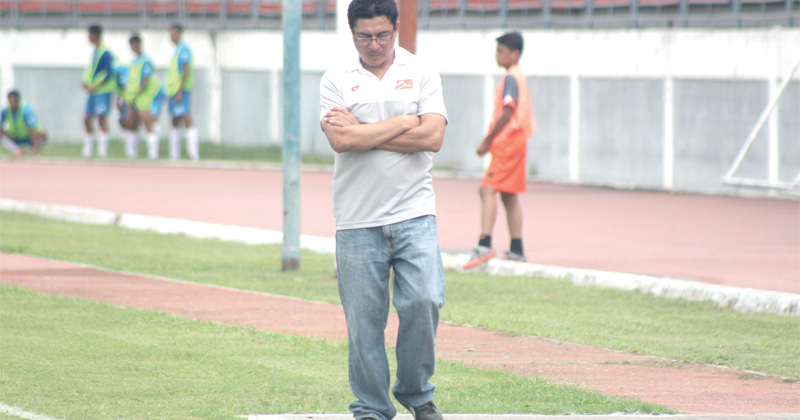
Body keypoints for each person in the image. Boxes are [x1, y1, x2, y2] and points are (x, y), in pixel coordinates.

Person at [319, 0, 448, 418]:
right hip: (357, 219)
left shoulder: (421, 72)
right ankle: (372, 408)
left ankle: (416, 393)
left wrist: (365, 131)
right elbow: (342, 141)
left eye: (382, 35)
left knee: (425, 300)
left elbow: (432, 138)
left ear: (395, 28)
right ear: (351, 33)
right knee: (364, 323)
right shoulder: (336, 79)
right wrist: (405, 121)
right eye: (364, 37)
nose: (374, 45)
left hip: (415, 212)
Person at [463, 31, 536, 270]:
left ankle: (484, 245)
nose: (497, 55)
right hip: (518, 141)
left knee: (487, 189)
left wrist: (487, 141)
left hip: (508, 142)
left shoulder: (511, 78)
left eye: (501, 51)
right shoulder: (518, 76)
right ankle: (517, 249)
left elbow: (508, 111)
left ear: (515, 54)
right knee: (509, 194)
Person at [124, 33, 165, 160]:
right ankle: (132, 154)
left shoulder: (146, 61)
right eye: (131, 45)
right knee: (132, 124)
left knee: (149, 123)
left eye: (135, 44)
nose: (133, 47)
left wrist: (136, 94)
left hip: (145, 96)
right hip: (134, 97)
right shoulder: (133, 62)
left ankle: (153, 153)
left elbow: (145, 81)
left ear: (139, 44)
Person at [82, 24, 116, 158]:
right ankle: (88, 149)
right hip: (93, 91)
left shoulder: (105, 52)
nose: (88, 37)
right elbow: (92, 71)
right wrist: (86, 83)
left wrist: (94, 86)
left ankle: (103, 150)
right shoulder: (95, 51)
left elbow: (108, 73)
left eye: (89, 35)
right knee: (87, 118)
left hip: (103, 91)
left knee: (101, 118)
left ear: (95, 35)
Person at [166, 23, 199, 161]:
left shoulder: (184, 49)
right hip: (173, 91)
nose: (172, 36)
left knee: (186, 118)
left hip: (181, 90)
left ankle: (193, 154)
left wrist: (180, 90)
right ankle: (174, 154)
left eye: (174, 34)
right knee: (175, 120)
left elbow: (186, 70)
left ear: (180, 34)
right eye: (170, 34)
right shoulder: (176, 50)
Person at [1, 90, 47, 157]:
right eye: (11, 101)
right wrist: (7, 134)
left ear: (18, 100)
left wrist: (36, 148)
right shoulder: (6, 111)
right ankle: (18, 150)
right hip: (16, 137)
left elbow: (32, 128)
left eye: (14, 100)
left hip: (29, 137)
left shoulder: (26, 110)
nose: (12, 103)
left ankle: (33, 149)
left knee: (43, 133)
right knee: (2, 136)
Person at [115, 63, 139, 158]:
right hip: (125, 100)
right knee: (123, 121)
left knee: (131, 123)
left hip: (133, 100)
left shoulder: (126, 73)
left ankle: (132, 151)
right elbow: (120, 89)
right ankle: (129, 150)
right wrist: (119, 99)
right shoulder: (117, 74)